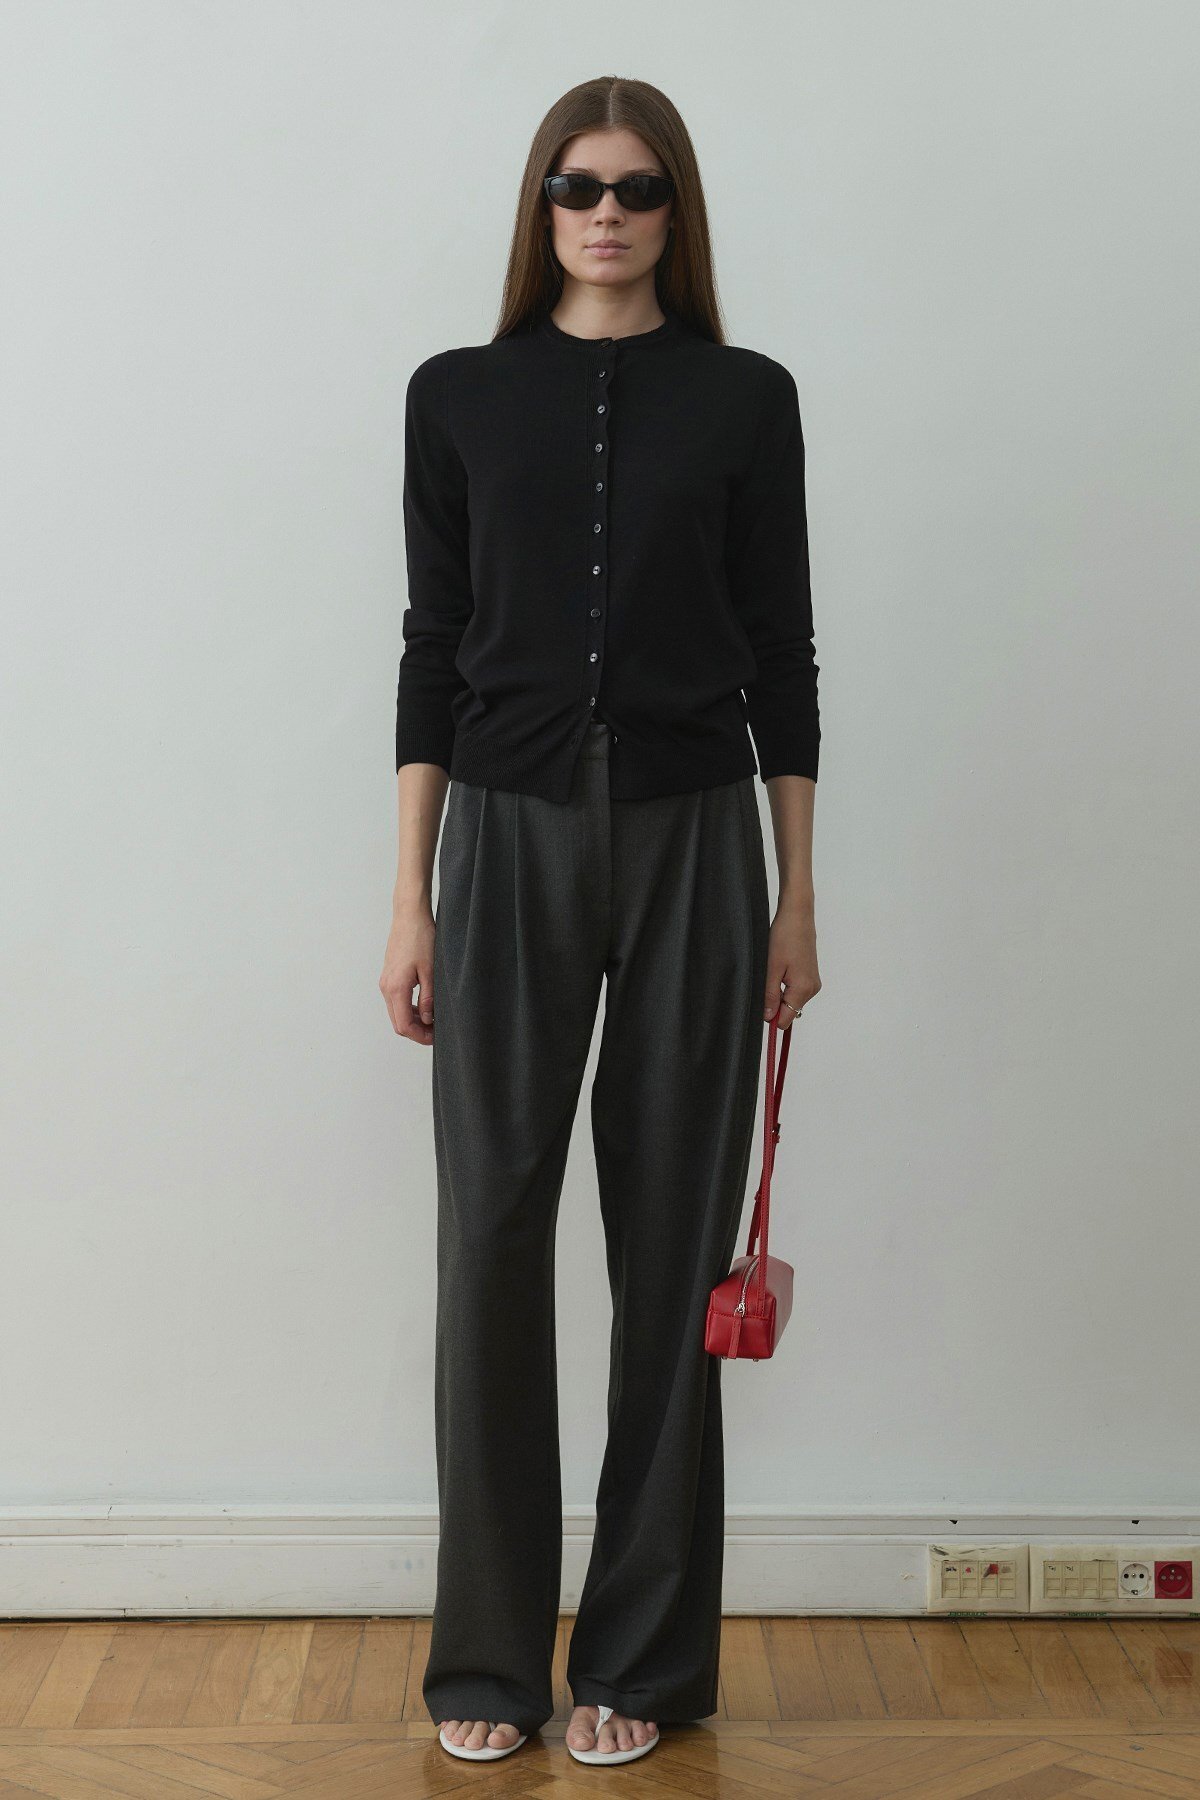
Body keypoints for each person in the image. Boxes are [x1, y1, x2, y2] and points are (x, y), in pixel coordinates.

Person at [379, 74, 822, 1768]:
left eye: (638, 188)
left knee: (671, 1249)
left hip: (701, 843)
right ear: (542, 205)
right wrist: (410, 895)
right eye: (579, 186)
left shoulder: (747, 399)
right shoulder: (458, 395)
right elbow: (432, 647)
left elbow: (783, 652)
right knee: (491, 1241)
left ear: (674, 208)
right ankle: (487, 1667)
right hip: (504, 842)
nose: (608, 213)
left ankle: (637, 1659)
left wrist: (796, 890)